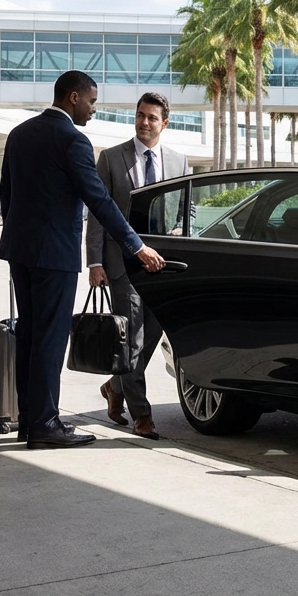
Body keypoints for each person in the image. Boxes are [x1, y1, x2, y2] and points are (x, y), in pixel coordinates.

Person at [0, 70, 165, 450]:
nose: (93, 109)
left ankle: (29, 419)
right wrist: (136, 246)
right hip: (54, 254)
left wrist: (20, 237)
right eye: (91, 101)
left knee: (29, 334)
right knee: (50, 339)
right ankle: (45, 424)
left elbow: (7, 194)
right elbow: (99, 201)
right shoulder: (73, 139)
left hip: (19, 250)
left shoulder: (19, 133)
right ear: (72, 97)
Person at [86, 92, 188, 440]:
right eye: (140, 115)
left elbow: (184, 208)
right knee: (129, 338)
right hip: (122, 264)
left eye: (152, 117)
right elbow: (98, 213)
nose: (144, 122)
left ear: (165, 123)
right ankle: (142, 415)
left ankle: (116, 385)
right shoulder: (113, 159)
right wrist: (95, 261)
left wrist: (180, 229)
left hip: (161, 265)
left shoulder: (179, 161)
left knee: (154, 331)